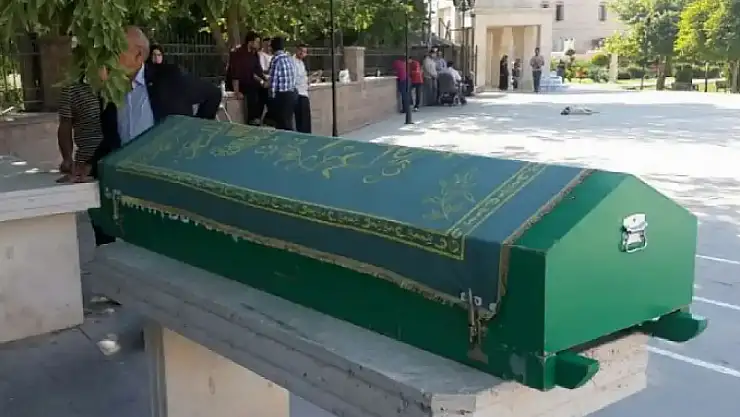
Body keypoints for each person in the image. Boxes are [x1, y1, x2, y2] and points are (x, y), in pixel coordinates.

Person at [86, 26, 221, 246]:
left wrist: (193, 134)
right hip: (128, 173)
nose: (110, 56)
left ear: (138, 55)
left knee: (168, 239)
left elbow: (212, 95)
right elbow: (112, 136)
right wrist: (89, 164)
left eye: (116, 50)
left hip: (164, 172)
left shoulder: (169, 77)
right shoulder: (111, 89)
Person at [57, 75, 103, 183]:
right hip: (86, 165)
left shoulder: (120, 82)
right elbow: (65, 124)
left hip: (118, 160)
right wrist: (67, 159)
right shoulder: (71, 88)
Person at [229, 32, 264, 125]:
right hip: (239, 83)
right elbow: (235, 73)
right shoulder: (238, 53)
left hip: (250, 81)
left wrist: (265, 81)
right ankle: (251, 119)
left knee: (264, 90)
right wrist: (236, 91)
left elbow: (258, 71)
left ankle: (259, 117)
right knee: (252, 90)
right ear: (250, 42)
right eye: (257, 42)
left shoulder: (254, 54)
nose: (259, 45)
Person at [267, 36, 297, 130]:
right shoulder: (289, 58)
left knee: (281, 124)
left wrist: (271, 96)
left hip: (281, 95)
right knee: (288, 122)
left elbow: (273, 80)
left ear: (272, 47)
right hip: (291, 93)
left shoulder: (276, 59)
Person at [293, 44, 312, 133]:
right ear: (297, 50)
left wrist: (311, 78)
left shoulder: (302, 63)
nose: (302, 53)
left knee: (306, 120)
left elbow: (304, 78)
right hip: (298, 93)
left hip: (304, 92)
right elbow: (295, 79)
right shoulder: (292, 62)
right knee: (302, 121)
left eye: (304, 52)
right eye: (300, 50)